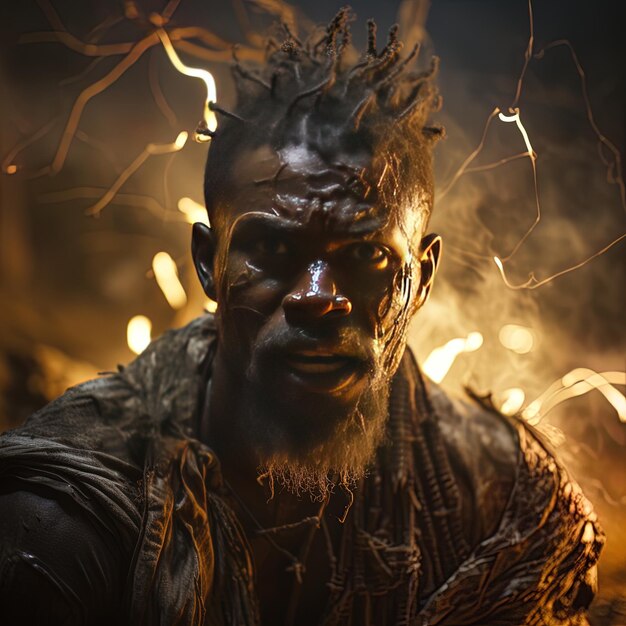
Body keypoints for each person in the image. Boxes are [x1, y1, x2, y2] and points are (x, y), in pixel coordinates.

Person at [0, 10, 603, 625]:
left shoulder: (497, 500)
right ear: (208, 264)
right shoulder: (62, 520)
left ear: (419, 278)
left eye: (367, 255)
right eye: (272, 250)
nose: (318, 298)